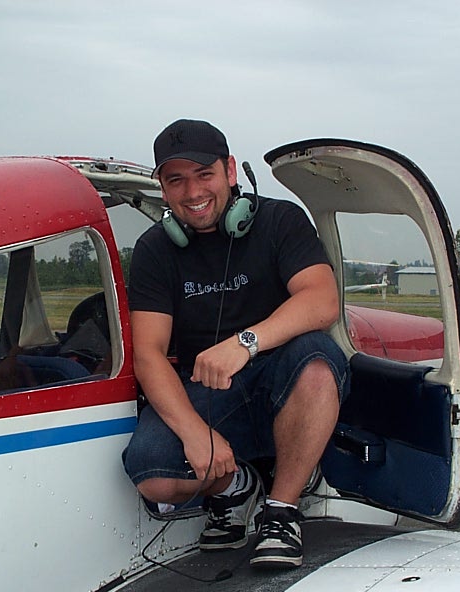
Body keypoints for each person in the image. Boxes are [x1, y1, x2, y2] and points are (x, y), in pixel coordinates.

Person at [122, 119, 348, 569]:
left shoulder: (280, 221)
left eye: (204, 174)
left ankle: (282, 511)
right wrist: (195, 434)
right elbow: (148, 353)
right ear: (162, 190)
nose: (192, 192)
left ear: (230, 171)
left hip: (283, 376)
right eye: (176, 180)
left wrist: (245, 343)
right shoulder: (153, 251)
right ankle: (238, 490)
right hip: (210, 392)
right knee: (154, 476)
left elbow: (323, 301)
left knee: (319, 362)